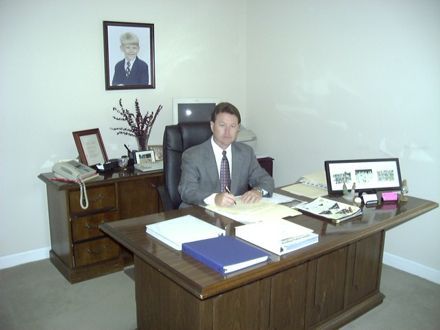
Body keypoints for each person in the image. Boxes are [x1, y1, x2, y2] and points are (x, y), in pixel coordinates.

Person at [178, 102, 274, 208]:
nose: (227, 132)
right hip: (200, 212)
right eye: (222, 125)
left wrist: (258, 191)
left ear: (238, 129)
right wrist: (215, 198)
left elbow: (266, 180)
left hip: (235, 212)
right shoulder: (192, 155)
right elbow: (187, 190)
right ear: (212, 126)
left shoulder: (246, 153)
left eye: (233, 126)